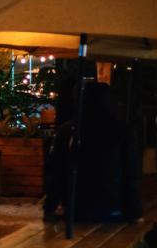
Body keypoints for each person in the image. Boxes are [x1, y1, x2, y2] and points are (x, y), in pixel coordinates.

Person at [44, 82, 141, 223]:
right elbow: (131, 173)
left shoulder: (69, 131)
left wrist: (50, 208)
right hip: (113, 208)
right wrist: (135, 212)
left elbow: (56, 173)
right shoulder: (122, 130)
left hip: (76, 208)